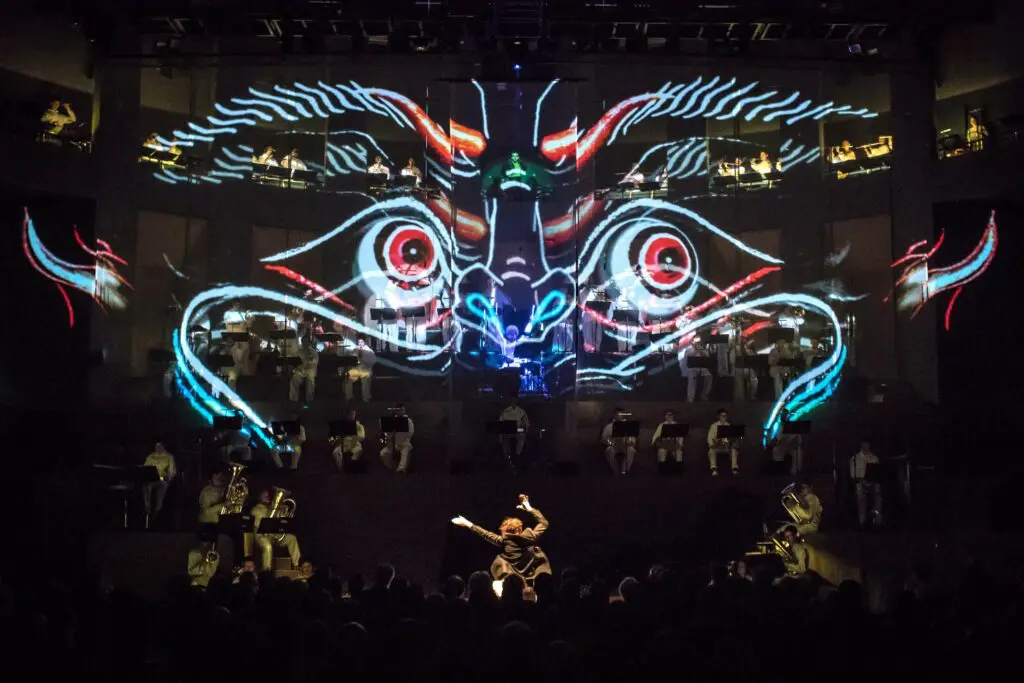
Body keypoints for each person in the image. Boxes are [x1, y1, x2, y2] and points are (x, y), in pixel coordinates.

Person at [451, 494, 551, 594]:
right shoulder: (531, 536)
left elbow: (485, 534)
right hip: (532, 581)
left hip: (511, 582)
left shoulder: (504, 540)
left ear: (504, 531)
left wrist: (467, 523)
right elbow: (544, 523)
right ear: (519, 529)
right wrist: (529, 508)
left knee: (499, 561)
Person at [251, 489, 301, 572]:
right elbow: (263, 523)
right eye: (264, 495)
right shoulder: (256, 509)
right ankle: (267, 571)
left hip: (275, 535)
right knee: (268, 547)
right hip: (261, 536)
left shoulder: (273, 508)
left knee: (292, 538)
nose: (267, 496)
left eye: (268, 495)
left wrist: (284, 513)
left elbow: (280, 522)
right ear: (259, 497)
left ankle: (296, 565)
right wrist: (275, 508)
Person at [141, 441, 177, 525]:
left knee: (162, 490)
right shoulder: (151, 456)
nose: (158, 448)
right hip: (151, 480)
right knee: (146, 487)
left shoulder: (169, 456)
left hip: (162, 480)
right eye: (156, 446)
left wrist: (168, 475)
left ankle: (157, 512)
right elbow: (145, 468)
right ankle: (147, 511)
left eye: (160, 446)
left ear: (163, 446)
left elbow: (172, 472)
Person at [850, 439, 882, 527]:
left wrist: (871, 481)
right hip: (860, 483)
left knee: (878, 494)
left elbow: (878, 473)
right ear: (861, 445)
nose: (866, 446)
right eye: (865, 444)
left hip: (873, 482)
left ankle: (877, 521)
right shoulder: (854, 459)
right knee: (860, 494)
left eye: (868, 444)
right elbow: (853, 475)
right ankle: (862, 521)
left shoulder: (875, 458)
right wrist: (862, 481)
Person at [380, 404, 415, 474]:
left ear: (404, 411)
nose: (400, 412)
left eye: (402, 410)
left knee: (406, 451)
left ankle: (401, 469)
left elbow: (411, 432)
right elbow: (387, 433)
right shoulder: (391, 420)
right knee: (383, 453)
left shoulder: (408, 421)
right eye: (398, 410)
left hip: (404, 443)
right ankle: (390, 468)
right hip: (393, 443)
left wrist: (404, 438)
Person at [601, 408, 637, 475]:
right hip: (613, 445)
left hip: (625, 445)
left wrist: (631, 441)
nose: (619, 416)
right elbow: (604, 438)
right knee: (609, 451)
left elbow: (633, 438)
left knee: (631, 450)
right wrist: (609, 442)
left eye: (621, 414)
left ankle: (624, 471)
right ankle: (615, 471)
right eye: (618, 414)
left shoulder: (628, 426)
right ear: (614, 415)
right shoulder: (609, 426)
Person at [331, 408, 365, 472]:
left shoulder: (359, 426)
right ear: (347, 415)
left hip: (355, 444)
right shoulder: (341, 425)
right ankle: (342, 470)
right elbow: (336, 437)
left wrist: (353, 435)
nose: (352, 416)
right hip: (344, 444)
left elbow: (362, 438)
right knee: (335, 452)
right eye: (350, 414)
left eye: (353, 414)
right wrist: (338, 438)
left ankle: (351, 468)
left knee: (359, 450)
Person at [706, 408, 739, 476]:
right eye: (722, 416)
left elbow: (733, 438)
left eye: (725, 416)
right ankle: (714, 469)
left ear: (727, 417)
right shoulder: (714, 426)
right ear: (719, 416)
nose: (723, 417)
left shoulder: (729, 426)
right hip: (717, 446)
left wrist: (732, 443)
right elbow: (709, 437)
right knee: (711, 451)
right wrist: (712, 444)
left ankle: (734, 469)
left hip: (727, 447)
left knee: (734, 450)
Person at [498, 394, 529, 462]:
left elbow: (526, 424)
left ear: (517, 400)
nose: (513, 401)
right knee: (503, 438)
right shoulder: (505, 412)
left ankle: (518, 454)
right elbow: (500, 423)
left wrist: (524, 428)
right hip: (507, 430)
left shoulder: (522, 412)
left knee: (522, 435)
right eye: (511, 400)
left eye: (514, 400)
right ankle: (506, 455)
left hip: (518, 430)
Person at [730, 336, 759, 401]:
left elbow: (755, 359)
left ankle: (751, 396)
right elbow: (732, 360)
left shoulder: (750, 350)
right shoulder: (735, 349)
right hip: (739, 369)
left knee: (754, 381)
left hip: (749, 369)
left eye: (744, 339)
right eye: (741, 339)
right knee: (740, 385)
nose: (743, 341)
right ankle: (741, 399)